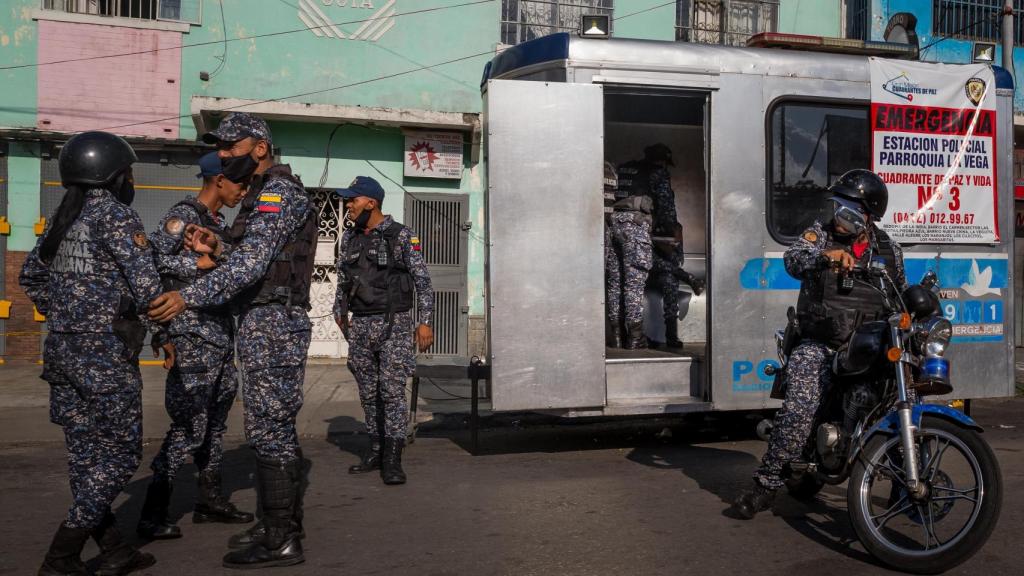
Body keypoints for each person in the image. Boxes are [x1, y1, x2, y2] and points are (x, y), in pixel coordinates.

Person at [148, 112, 316, 569]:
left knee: (269, 428)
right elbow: (246, 256)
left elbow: (250, 269)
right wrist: (216, 248)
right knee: (267, 427)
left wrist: (187, 297)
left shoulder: (279, 192)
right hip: (262, 322)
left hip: (275, 323)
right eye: (220, 148)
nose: (223, 156)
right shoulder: (258, 197)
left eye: (231, 147)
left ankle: (282, 538)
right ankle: (276, 525)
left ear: (259, 148)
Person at [20, 131, 162, 575]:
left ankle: (116, 548)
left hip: (60, 352)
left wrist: (65, 313)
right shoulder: (117, 217)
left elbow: (31, 278)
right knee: (121, 454)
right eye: (130, 172)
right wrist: (165, 329)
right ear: (115, 175)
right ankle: (62, 553)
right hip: (103, 356)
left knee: (85, 456)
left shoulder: (63, 219)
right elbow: (148, 290)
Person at [732, 169, 906, 519]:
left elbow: (899, 293)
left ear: (867, 215)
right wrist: (825, 256)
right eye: (836, 206)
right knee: (800, 407)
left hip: (867, 346)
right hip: (820, 342)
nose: (836, 214)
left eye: (846, 209)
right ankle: (765, 485)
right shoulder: (820, 235)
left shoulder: (888, 249)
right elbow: (793, 260)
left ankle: (906, 481)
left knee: (901, 396)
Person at [136, 152, 254, 540]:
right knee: (189, 425)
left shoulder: (216, 224)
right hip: (190, 337)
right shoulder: (181, 216)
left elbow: (236, 270)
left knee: (216, 425)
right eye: (240, 183)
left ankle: (209, 500)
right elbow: (148, 266)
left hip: (219, 335)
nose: (244, 190)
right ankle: (153, 512)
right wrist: (164, 334)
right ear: (219, 180)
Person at [333, 176, 435, 484]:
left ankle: (393, 458)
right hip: (361, 325)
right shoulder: (350, 238)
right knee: (368, 392)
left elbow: (423, 281)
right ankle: (376, 449)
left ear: (371, 202)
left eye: (353, 200)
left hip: (394, 325)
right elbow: (343, 279)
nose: (348, 205)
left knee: (391, 393)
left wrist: (425, 321)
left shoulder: (400, 235)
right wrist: (340, 313)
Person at [608, 157, 655, 349]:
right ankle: (635, 337)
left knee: (615, 284)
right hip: (635, 224)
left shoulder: (621, 168)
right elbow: (667, 207)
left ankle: (617, 336)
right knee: (633, 285)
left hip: (614, 222)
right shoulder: (654, 172)